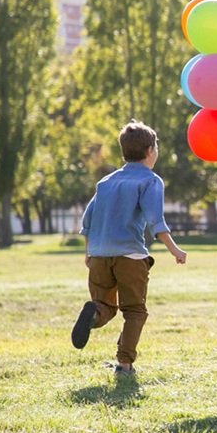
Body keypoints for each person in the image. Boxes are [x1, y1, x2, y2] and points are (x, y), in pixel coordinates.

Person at [71, 121, 188, 377]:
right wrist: (175, 250)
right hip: (130, 256)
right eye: (156, 147)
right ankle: (124, 365)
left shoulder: (106, 182)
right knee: (134, 310)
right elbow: (156, 221)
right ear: (149, 151)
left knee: (104, 306)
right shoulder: (150, 180)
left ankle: (93, 314)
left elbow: (87, 221)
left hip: (100, 255)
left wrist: (88, 253)